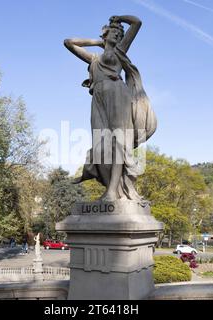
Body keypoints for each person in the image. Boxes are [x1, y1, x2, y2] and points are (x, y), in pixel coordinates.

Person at [65, 15, 157, 202]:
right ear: (106, 35)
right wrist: (99, 42)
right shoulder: (94, 58)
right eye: (114, 33)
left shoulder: (119, 51)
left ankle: (112, 191)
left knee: (119, 143)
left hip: (117, 95)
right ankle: (112, 188)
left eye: (120, 34)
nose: (118, 36)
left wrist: (120, 19)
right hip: (98, 98)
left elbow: (137, 22)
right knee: (101, 146)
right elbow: (69, 42)